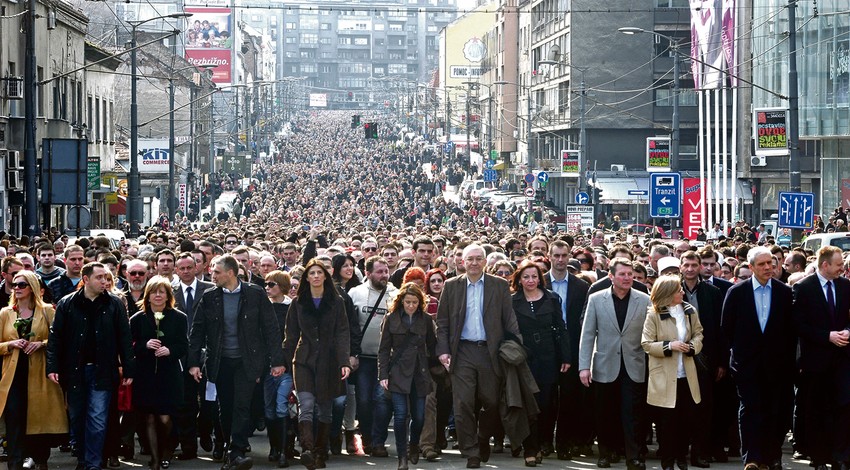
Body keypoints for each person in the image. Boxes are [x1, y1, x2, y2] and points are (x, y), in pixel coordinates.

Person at [188, 255, 286, 470]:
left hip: (247, 360)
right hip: (219, 360)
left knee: (242, 405)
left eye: (216, 272)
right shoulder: (209, 296)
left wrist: (277, 361)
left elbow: (271, 329)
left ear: (230, 273)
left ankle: (237, 451)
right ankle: (226, 446)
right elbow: (197, 332)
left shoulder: (255, 293)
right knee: (225, 406)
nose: (212, 276)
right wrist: (194, 363)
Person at [435, 244, 521, 469]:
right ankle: (471, 450)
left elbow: (509, 319)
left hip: (490, 351)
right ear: (462, 262)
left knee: (491, 402)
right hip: (461, 351)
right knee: (462, 403)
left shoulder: (499, 285)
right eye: (469, 259)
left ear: (485, 262)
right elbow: (442, 322)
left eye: (478, 259)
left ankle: (483, 437)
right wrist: (443, 351)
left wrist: (515, 347)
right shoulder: (451, 286)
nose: (473, 263)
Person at [47, 262, 135, 470]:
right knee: (77, 418)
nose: (104, 281)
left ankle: (93, 463)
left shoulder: (114, 304)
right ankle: (83, 459)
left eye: (106, 277)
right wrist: (52, 367)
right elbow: (55, 338)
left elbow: (124, 338)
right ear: (85, 280)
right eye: (99, 277)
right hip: (75, 370)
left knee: (97, 418)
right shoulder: (67, 303)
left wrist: (129, 368)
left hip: (102, 370)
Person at [721, 246, 796, 470]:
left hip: (776, 366)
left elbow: (790, 331)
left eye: (770, 264)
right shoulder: (737, 292)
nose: (768, 268)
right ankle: (752, 458)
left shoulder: (784, 292)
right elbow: (727, 329)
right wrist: (734, 360)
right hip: (746, 365)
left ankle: (772, 458)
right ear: (751, 267)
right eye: (762, 264)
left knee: (774, 411)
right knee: (750, 410)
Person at [578, 258, 651, 470]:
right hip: (604, 364)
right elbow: (588, 334)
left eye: (630, 274)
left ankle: (633, 457)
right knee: (604, 413)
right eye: (622, 274)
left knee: (632, 414)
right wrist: (584, 366)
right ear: (611, 276)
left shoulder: (644, 299)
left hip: (633, 364)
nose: (627, 278)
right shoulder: (596, 299)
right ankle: (605, 454)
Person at [282, 259, 351, 470]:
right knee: (307, 406)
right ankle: (308, 450)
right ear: (306, 278)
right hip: (303, 360)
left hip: (329, 362)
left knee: (326, 410)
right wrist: (284, 362)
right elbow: (291, 335)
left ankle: (321, 451)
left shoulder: (336, 301)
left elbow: (342, 332)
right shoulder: (298, 303)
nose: (316, 276)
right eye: (311, 273)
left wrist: (344, 361)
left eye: (319, 272)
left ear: (325, 276)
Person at [0, 270, 68, 470]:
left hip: (39, 372)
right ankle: (15, 462)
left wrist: (41, 344)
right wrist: (11, 344)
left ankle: (40, 459)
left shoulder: (47, 311)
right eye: (15, 285)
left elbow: (59, 340)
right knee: (14, 417)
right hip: (12, 373)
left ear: (33, 288)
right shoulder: (6, 313)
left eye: (22, 285)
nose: (17, 289)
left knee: (38, 417)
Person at [792, 246, 850, 470]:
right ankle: (818, 457)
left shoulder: (845, 286)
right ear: (824, 265)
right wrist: (826, 336)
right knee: (816, 409)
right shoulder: (803, 288)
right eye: (838, 265)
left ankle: (840, 455)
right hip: (816, 360)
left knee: (843, 407)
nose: (841, 269)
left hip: (842, 359)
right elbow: (797, 324)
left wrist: (847, 331)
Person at [510, 260, 570, 467]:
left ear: (540, 278)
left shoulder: (552, 298)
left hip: (548, 356)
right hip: (524, 356)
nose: (530, 280)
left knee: (546, 403)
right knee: (529, 404)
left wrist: (566, 357)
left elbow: (561, 328)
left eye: (534, 276)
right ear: (519, 279)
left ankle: (544, 441)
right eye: (526, 276)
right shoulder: (513, 301)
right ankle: (530, 448)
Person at [642, 275, 704, 470]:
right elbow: (646, 344)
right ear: (668, 293)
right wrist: (670, 345)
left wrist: (693, 346)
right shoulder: (654, 314)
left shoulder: (689, 311)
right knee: (667, 424)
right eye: (678, 290)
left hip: (687, 374)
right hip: (665, 376)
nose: (682, 292)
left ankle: (681, 459)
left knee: (686, 421)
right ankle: (667, 462)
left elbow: (698, 333)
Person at [130, 276, 189, 470]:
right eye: (154, 292)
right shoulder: (137, 319)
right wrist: (144, 345)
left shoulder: (179, 317)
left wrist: (170, 350)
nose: (157, 295)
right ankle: (155, 459)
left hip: (169, 374)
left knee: (165, 418)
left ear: (168, 295)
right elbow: (130, 345)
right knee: (148, 417)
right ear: (147, 295)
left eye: (161, 292)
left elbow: (183, 345)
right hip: (145, 374)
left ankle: (167, 450)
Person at [378, 282, 436, 470]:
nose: (411, 305)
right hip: (398, 372)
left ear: (420, 303)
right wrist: (383, 374)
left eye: (414, 302)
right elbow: (384, 349)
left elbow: (432, 346)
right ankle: (402, 457)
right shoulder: (391, 318)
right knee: (401, 415)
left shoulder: (425, 320)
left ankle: (414, 444)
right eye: (408, 302)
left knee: (419, 417)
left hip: (419, 372)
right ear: (401, 301)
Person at [544, 240, 591, 459]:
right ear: (549, 256)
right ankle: (544, 441)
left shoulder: (581, 287)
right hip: (544, 348)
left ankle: (564, 443)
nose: (560, 260)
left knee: (570, 399)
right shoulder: (539, 282)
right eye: (556, 256)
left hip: (572, 348)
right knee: (545, 398)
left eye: (564, 255)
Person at [172, 253, 214, 460]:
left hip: (208, 353)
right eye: (182, 268)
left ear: (197, 267)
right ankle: (189, 448)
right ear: (176, 270)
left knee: (209, 402)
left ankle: (205, 433)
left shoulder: (210, 290)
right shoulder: (171, 293)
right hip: (180, 355)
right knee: (186, 403)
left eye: (190, 267)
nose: (186, 271)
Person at [263, 270, 295, 468]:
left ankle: (284, 450)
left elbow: (291, 340)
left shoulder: (292, 308)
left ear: (282, 286)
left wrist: (283, 364)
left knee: (282, 405)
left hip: (286, 368)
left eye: (271, 284)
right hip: (266, 367)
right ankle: (275, 448)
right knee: (268, 409)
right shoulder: (263, 307)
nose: (267, 287)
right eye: (266, 284)